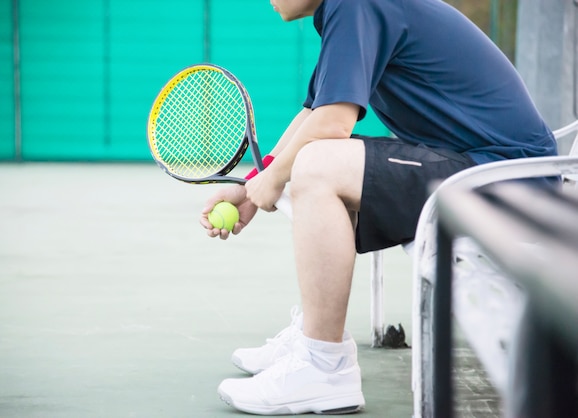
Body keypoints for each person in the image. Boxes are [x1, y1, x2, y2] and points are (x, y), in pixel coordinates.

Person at [200, 0, 557, 415]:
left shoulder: (356, 4)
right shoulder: (349, 8)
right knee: (313, 159)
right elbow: (313, 114)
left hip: (507, 185)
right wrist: (250, 187)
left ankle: (324, 367)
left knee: (317, 164)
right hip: (485, 174)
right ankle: (316, 342)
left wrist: (274, 178)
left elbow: (333, 124)